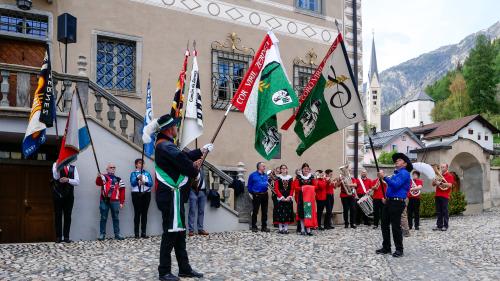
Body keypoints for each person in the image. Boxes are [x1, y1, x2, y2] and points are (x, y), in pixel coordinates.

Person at [145, 114, 210, 280]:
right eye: (175, 126)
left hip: (174, 196)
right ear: (168, 129)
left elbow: (183, 156)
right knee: (170, 232)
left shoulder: (166, 145)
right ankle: (164, 271)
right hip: (170, 196)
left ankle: (184, 268)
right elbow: (184, 162)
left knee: (180, 233)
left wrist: (200, 151)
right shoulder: (165, 146)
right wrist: (195, 168)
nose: (177, 128)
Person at [375, 153, 412, 258]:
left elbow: (395, 185)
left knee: (395, 226)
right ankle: (386, 247)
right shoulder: (396, 173)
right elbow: (391, 188)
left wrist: (384, 177)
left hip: (397, 203)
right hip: (389, 201)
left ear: (405, 164)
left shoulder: (404, 173)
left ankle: (399, 249)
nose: (397, 161)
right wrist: (387, 197)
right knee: (384, 225)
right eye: (396, 160)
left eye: (399, 160)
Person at [95, 163, 126, 241]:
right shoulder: (103, 177)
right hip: (104, 200)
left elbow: (122, 191)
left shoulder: (119, 179)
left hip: (115, 201)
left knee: (116, 218)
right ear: (107, 169)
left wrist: (122, 202)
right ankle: (102, 234)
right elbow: (98, 183)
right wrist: (98, 177)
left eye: (114, 167)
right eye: (111, 167)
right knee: (103, 217)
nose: (112, 168)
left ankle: (117, 234)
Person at [52, 162, 80, 243]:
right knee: (58, 215)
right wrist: (58, 166)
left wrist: (68, 179)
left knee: (68, 215)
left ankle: (66, 237)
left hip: (69, 195)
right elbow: (55, 176)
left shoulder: (73, 168)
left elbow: (77, 181)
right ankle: (58, 237)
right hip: (58, 194)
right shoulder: (56, 164)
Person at [130, 159, 154, 239]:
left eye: (143, 163)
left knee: (145, 213)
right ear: (136, 165)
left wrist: (145, 183)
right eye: (140, 163)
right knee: (137, 213)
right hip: (136, 194)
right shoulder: (133, 173)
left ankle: (143, 232)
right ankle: (136, 233)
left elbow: (151, 183)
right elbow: (132, 183)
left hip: (146, 193)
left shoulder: (147, 173)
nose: (142, 164)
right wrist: (137, 179)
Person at [293, 163, 317, 235]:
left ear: (309, 170)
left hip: (309, 198)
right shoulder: (298, 177)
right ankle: (302, 229)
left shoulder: (311, 177)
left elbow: (315, 186)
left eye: (307, 169)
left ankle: (308, 229)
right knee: (301, 213)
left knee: (308, 213)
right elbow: (295, 187)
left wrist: (307, 188)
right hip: (301, 197)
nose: (306, 170)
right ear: (302, 170)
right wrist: (304, 188)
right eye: (304, 169)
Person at [248, 162, 271, 233]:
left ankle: (264, 227)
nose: (264, 167)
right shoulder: (252, 175)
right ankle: (254, 226)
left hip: (265, 194)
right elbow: (249, 185)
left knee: (265, 211)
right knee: (255, 211)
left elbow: (268, 184)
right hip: (256, 195)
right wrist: (253, 193)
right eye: (263, 166)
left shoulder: (266, 176)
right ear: (259, 167)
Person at [432, 163, 455, 231]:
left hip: (445, 195)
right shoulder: (438, 175)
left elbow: (450, 185)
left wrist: (441, 183)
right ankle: (439, 225)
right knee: (438, 211)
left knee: (445, 211)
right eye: (441, 167)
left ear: (447, 168)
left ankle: (445, 225)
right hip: (437, 195)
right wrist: (435, 181)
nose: (442, 168)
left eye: (443, 167)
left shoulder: (449, 176)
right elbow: (433, 184)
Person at [273, 164, 294, 234]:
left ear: (287, 169)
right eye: (282, 168)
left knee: (287, 212)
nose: (284, 170)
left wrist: (289, 196)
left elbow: (292, 188)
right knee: (280, 212)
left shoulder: (290, 178)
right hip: (280, 197)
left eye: (285, 168)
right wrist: (281, 197)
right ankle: (280, 228)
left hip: (288, 196)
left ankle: (286, 228)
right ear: (280, 170)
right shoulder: (277, 178)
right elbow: (276, 188)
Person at [188, 168, 209, 237]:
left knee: (201, 211)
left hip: (203, 192)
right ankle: (191, 230)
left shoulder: (204, 170)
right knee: (192, 210)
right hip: (193, 191)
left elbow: (207, 181)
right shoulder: (191, 168)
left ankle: (200, 229)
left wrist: (207, 192)